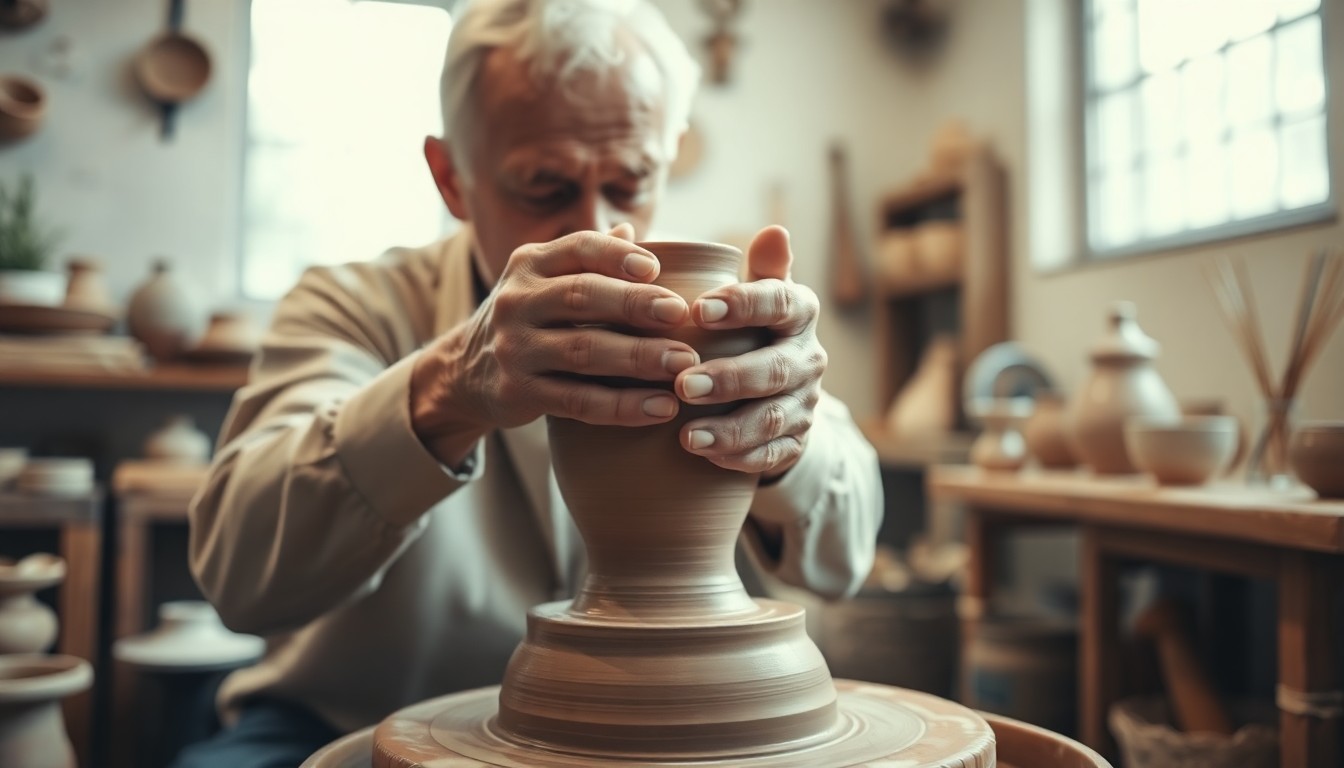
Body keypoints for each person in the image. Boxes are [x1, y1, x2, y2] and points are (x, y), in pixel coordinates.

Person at [177, 1, 882, 765]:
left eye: (632, 180)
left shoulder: (715, 306)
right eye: (544, 189)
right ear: (452, 177)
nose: (601, 228)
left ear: (667, 154)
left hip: (663, 728)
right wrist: (446, 390)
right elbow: (238, 576)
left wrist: (781, 438)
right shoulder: (355, 306)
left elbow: (844, 562)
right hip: (360, 719)